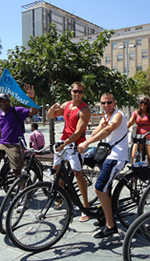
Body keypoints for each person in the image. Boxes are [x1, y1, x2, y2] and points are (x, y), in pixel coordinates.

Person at [78, 93, 128, 238]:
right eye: (103, 103)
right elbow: (98, 131)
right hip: (108, 155)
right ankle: (105, 215)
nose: (106, 105)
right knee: (106, 188)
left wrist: (87, 143)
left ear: (115, 102)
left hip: (116, 157)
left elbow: (107, 131)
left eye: (109, 102)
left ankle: (111, 226)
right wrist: (84, 142)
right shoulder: (105, 117)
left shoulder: (118, 115)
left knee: (99, 188)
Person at [47, 81, 91, 222]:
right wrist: (51, 109)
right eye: (75, 91)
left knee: (78, 173)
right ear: (71, 91)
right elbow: (50, 116)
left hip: (76, 144)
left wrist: (64, 144)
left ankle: (85, 205)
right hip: (64, 141)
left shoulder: (84, 110)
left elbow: (78, 132)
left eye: (80, 92)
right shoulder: (66, 105)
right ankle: (61, 195)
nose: (77, 94)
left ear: (83, 93)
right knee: (57, 169)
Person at [127, 96, 150, 166]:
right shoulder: (135, 113)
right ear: (139, 103)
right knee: (133, 156)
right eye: (142, 102)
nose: (143, 104)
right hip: (138, 137)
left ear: (148, 105)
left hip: (149, 135)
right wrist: (124, 129)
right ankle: (133, 174)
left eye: (146, 103)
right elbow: (130, 122)